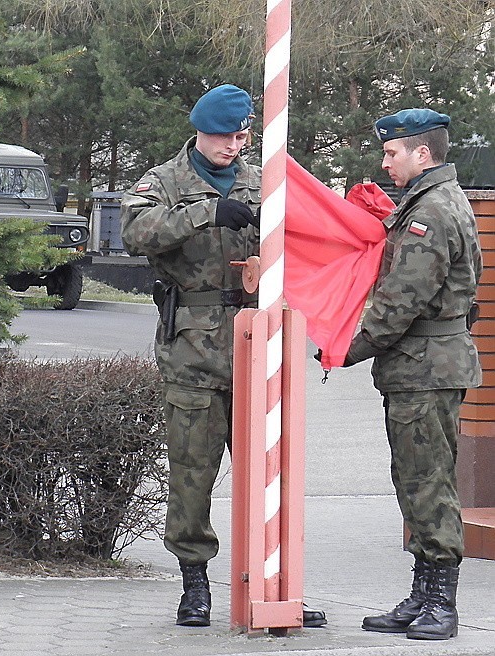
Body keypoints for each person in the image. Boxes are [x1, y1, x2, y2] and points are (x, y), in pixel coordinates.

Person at [120, 84, 326, 629]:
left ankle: (276, 581)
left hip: (259, 344)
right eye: (224, 136)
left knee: (270, 474)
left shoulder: (265, 179)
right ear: (200, 131)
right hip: (193, 346)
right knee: (192, 470)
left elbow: (307, 231)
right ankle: (194, 584)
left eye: (241, 136)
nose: (233, 146)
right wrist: (206, 214)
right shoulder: (163, 181)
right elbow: (136, 231)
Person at [340, 109, 481, 640]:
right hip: (422, 366)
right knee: (415, 479)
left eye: (392, 153)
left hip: (427, 367)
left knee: (429, 483)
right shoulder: (431, 203)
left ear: (423, 153)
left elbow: (401, 300)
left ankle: (441, 601)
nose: (385, 162)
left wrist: (346, 348)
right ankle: (423, 594)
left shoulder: (431, 212)